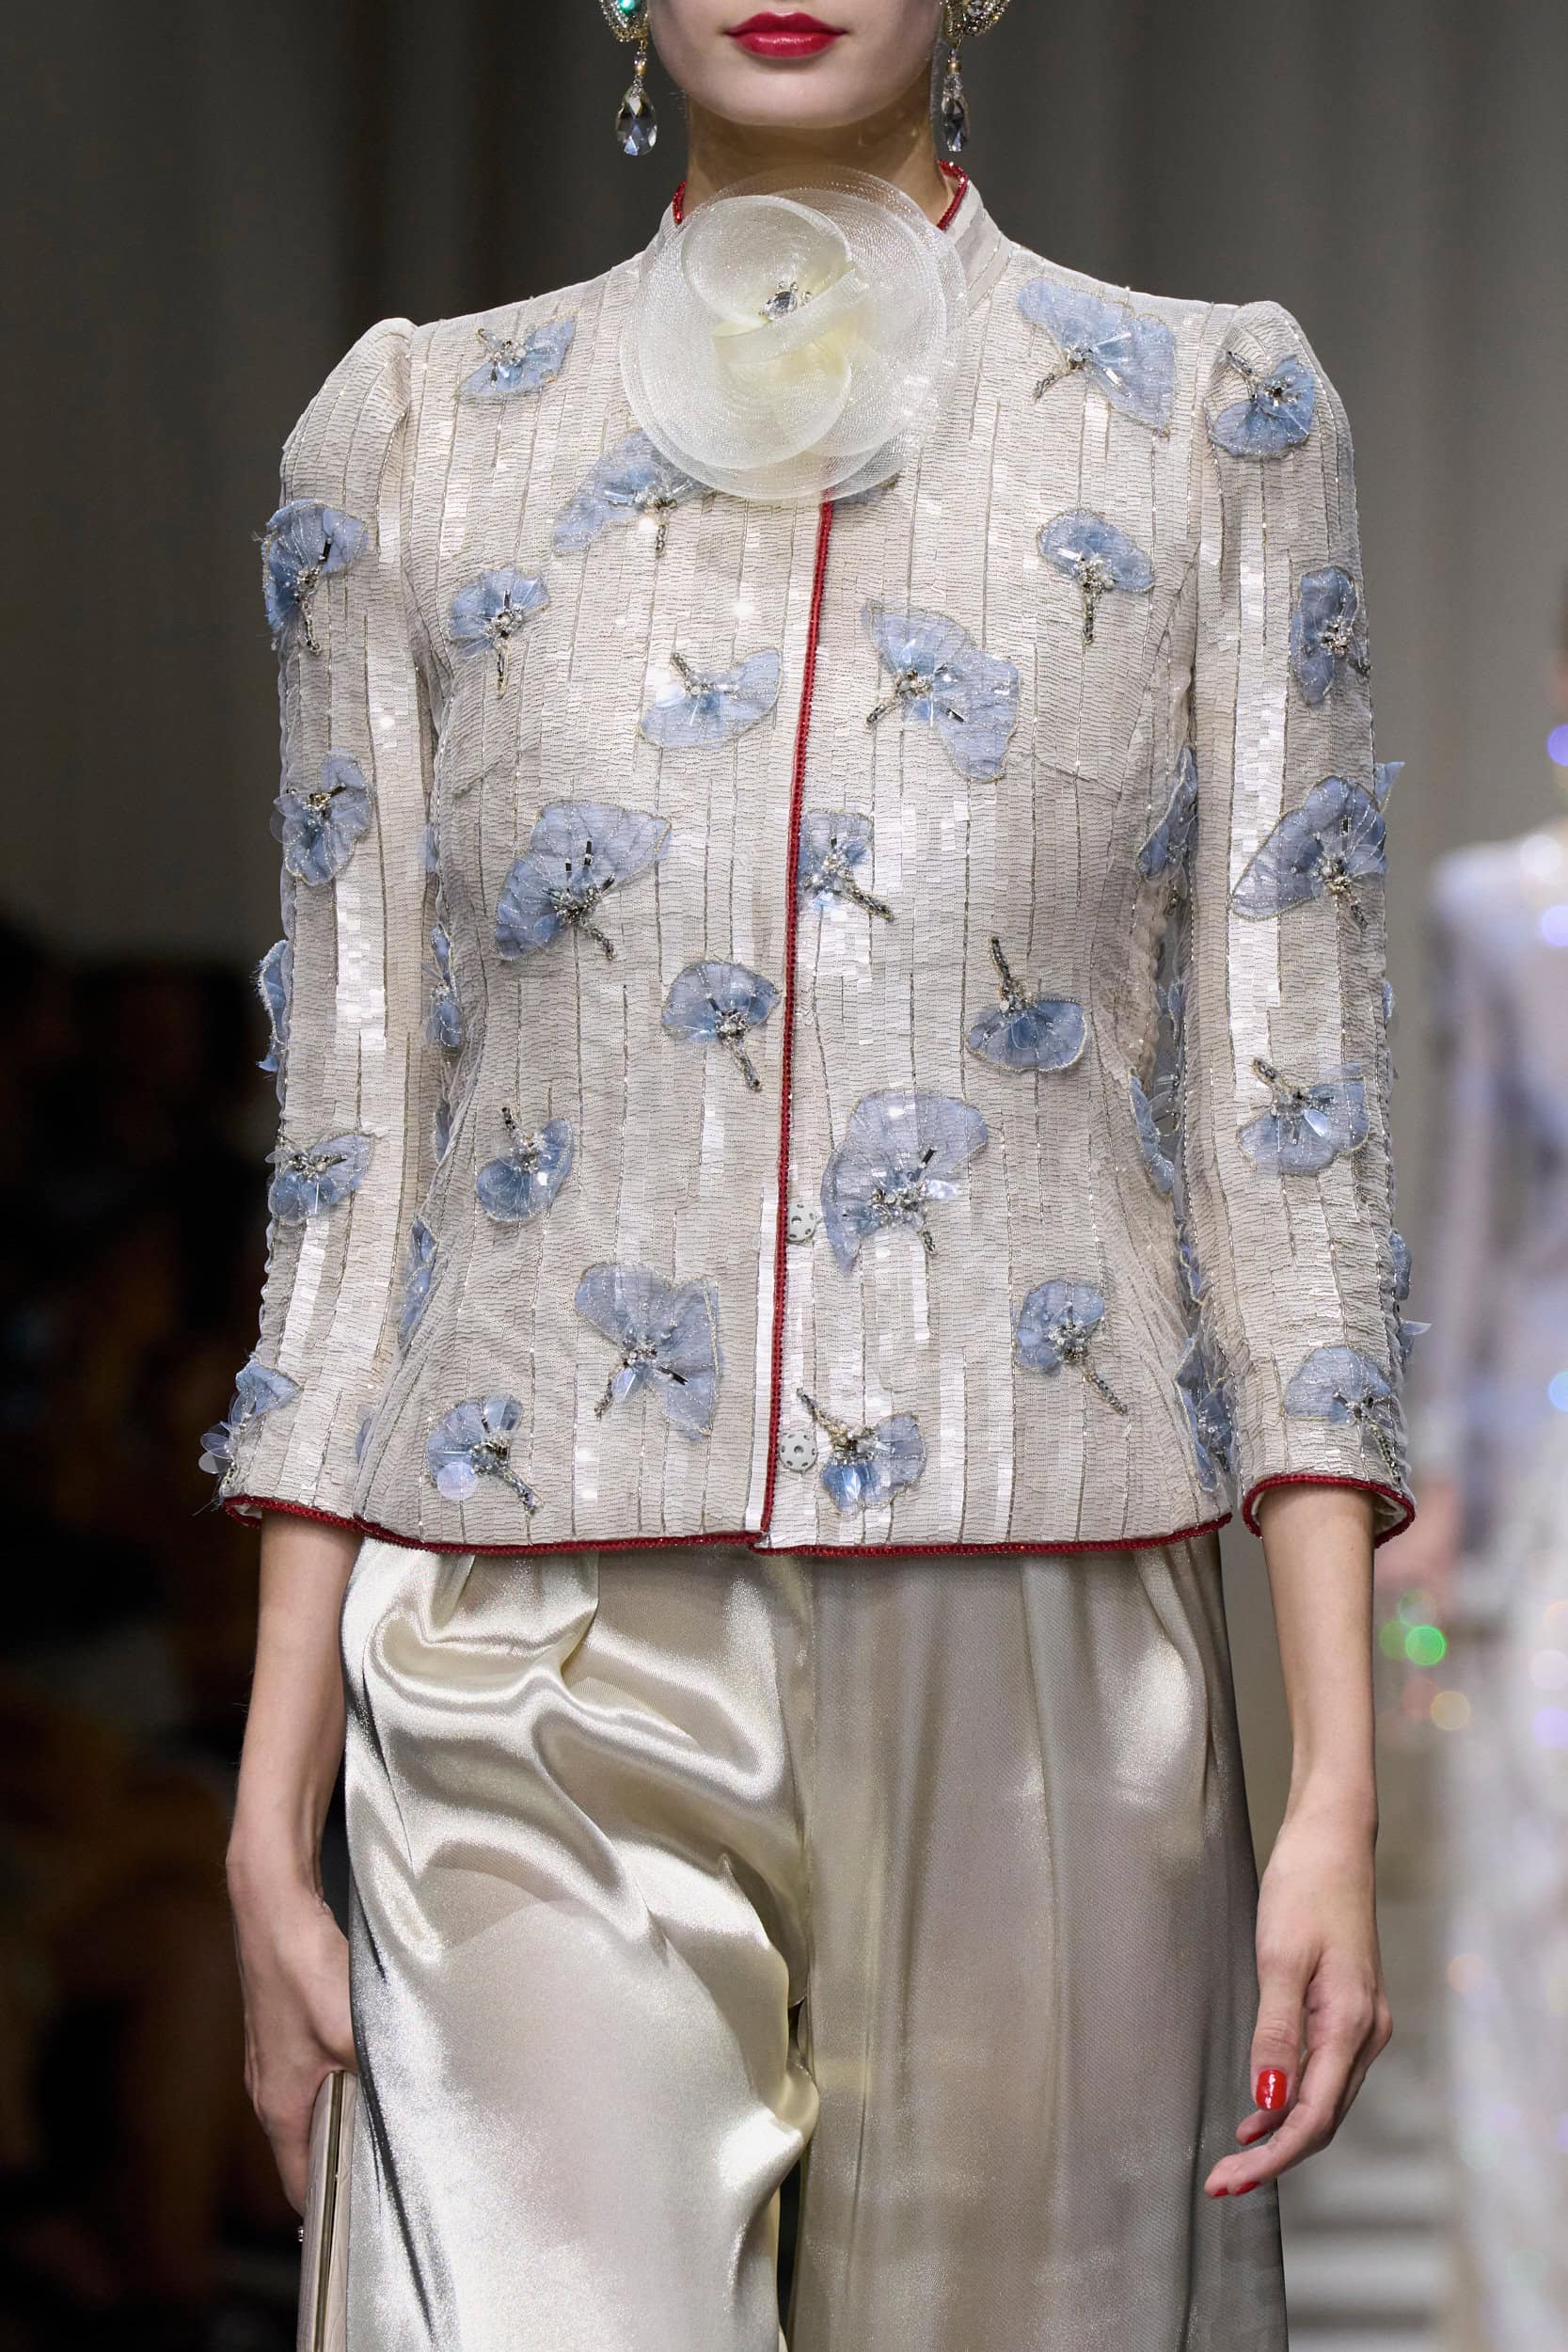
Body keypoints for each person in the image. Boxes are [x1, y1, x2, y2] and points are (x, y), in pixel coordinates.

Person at [220, 6, 1408, 2345]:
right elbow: (353, 1146)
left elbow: (1294, 1123)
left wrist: (1337, 1785)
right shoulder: (421, 433)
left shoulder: (1206, 419)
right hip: (518, 1637)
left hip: (1046, 1615)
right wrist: (272, 1793)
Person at [1388, 580, 1568, 2351]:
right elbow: (1468, 1206)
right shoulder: (1504, 912)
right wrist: (1433, 1479)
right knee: (1526, 1895)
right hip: (1550, 1472)